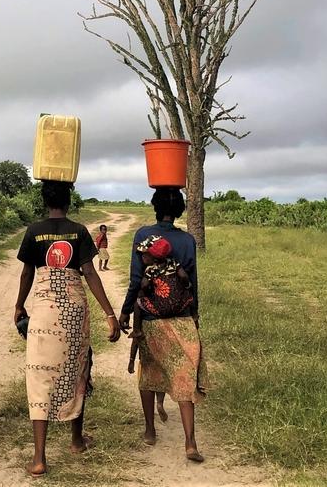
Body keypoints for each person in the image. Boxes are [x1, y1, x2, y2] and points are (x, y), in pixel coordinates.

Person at [13, 180, 121, 477]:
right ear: (69, 200)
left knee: (39, 373)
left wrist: (19, 305)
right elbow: (88, 272)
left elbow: (27, 273)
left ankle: (39, 458)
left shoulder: (34, 231)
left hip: (44, 310)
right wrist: (110, 314)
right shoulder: (79, 231)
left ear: (44, 201)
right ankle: (75, 440)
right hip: (74, 308)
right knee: (78, 368)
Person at [119, 187, 207, 462]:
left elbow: (137, 280)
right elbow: (191, 280)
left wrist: (125, 312)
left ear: (155, 206)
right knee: (183, 377)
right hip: (181, 318)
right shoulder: (188, 240)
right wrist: (195, 313)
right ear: (180, 209)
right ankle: (190, 442)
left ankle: (149, 430)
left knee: (150, 373)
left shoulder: (144, 236)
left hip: (152, 319)